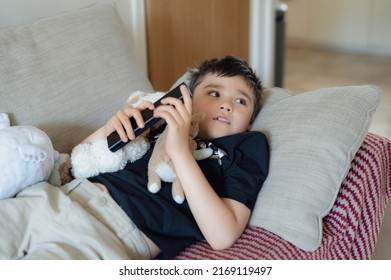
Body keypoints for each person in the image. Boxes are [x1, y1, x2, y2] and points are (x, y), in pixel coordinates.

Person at [0, 55, 269, 260]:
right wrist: (107, 131)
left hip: (105, 236)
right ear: (188, 98)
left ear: (250, 121)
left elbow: (222, 235)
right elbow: (75, 166)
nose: (226, 104)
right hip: (55, 198)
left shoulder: (245, 147)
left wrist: (180, 151)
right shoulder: (158, 122)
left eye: (241, 101)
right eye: (214, 93)